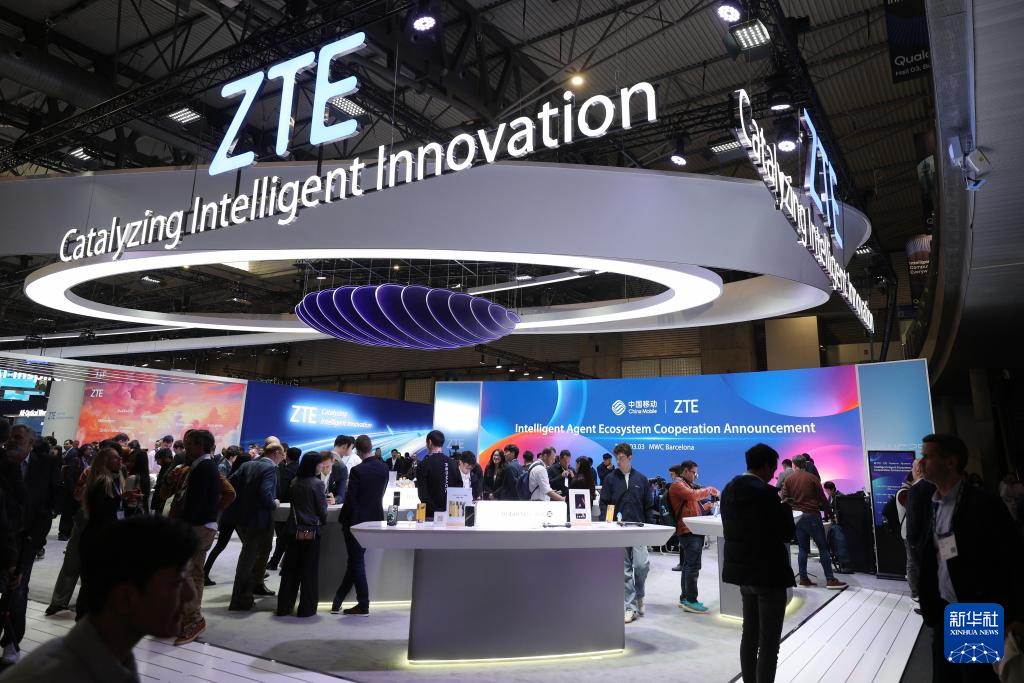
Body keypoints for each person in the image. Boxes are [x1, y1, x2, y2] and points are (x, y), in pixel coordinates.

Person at [0, 516, 199, 683]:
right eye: (177, 582)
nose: (191, 594)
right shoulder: (58, 675)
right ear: (125, 598)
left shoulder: (115, 661)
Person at [916, 433, 1023, 682]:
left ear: (950, 462)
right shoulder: (934, 504)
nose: (921, 462)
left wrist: (1018, 614)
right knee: (944, 677)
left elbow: (1013, 559)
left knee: (974, 678)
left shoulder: (983, 504)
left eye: (927, 456)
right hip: (943, 609)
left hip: (973, 611)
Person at [721, 443, 797, 683]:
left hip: (744, 574)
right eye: (772, 469)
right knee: (769, 643)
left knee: (750, 636)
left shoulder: (729, 489)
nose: (773, 475)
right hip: (768, 574)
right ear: (765, 466)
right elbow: (785, 533)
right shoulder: (765, 493)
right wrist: (785, 507)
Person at [0, 426, 61, 664]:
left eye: (18, 438)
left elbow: (52, 500)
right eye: (10, 437)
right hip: (3, 535)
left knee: (17, 591)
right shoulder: (4, 463)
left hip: (25, 539)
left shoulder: (45, 464)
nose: (12, 441)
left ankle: (11, 643)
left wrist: (38, 536)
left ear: (31, 443)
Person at [173, 428, 230, 646]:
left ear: (200, 446)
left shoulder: (204, 467)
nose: (185, 448)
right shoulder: (203, 466)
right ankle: (190, 618)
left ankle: (194, 619)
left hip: (197, 527)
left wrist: (198, 521)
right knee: (194, 573)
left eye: (189, 444)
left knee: (187, 573)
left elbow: (198, 503)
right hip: (202, 526)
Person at [332, 434, 389, 616]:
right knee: (355, 561)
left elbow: (351, 500)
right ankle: (338, 599)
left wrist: (344, 520)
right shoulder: (384, 468)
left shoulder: (357, 471)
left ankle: (363, 604)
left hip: (356, 522)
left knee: (356, 562)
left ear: (357, 449)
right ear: (371, 448)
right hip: (374, 520)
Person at [599, 443, 656, 624]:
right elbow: (604, 503)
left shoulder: (642, 479)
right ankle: (630, 607)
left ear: (630, 457)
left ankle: (640, 595)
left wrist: (650, 528)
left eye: (621, 458)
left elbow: (649, 506)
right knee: (624, 571)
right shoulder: (610, 479)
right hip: (618, 530)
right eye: (617, 458)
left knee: (641, 565)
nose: (618, 461)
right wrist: (607, 523)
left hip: (639, 529)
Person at [227, 442, 282, 611]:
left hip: (243, 518)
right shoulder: (270, 468)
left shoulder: (248, 465)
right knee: (249, 559)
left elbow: (229, 483)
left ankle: (243, 596)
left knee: (248, 557)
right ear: (276, 453)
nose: (283, 458)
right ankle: (240, 599)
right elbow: (265, 494)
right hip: (259, 519)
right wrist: (273, 503)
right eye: (282, 454)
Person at [781, 455, 846, 590]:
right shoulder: (812, 478)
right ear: (805, 464)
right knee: (823, 547)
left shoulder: (788, 479)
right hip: (812, 515)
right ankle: (830, 579)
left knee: (802, 548)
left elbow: (784, 498)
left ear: (794, 465)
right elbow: (823, 499)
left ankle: (803, 579)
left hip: (797, 517)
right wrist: (831, 515)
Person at [276, 453, 328, 618]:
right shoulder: (317, 484)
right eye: (320, 464)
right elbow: (322, 511)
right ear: (314, 465)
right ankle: (306, 609)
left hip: (293, 530)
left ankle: (284, 607)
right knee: (309, 571)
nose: (321, 467)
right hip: (310, 531)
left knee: (290, 570)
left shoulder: (294, 481)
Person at [668, 460, 719, 614]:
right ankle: (691, 600)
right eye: (694, 472)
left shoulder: (686, 485)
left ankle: (685, 598)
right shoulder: (678, 485)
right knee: (693, 566)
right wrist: (709, 489)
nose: (696, 476)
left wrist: (706, 507)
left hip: (692, 529)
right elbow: (692, 496)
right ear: (685, 471)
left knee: (688, 565)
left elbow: (692, 506)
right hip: (688, 530)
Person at [267, 447, 302, 572]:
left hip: (282, 507)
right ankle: (279, 562)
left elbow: (281, 489)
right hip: (294, 508)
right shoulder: (298, 469)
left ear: (287, 455)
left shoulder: (285, 470)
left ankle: (274, 562)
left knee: (282, 537)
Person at [415, 430, 461, 517]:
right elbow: (459, 488)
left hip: (430, 515)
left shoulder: (423, 464)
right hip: (451, 513)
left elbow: (423, 494)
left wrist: (435, 511)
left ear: (429, 442)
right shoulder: (453, 463)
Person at [57, 442, 88, 540]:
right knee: (67, 512)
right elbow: (69, 476)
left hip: (79, 492)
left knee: (74, 512)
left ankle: (69, 532)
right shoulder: (76, 460)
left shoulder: (85, 461)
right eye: (89, 449)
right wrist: (72, 489)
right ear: (84, 451)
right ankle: (63, 532)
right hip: (72, 491)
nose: (91, 451)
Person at [122, 449, 150, 517]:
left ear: (139, 463)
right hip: (144, 509)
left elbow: (125, 498)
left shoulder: (132, 478)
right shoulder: (147, 477)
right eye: (129, 460)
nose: (129, 463)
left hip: (132, 510)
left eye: (133, 461)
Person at [149, 447, 174, 515]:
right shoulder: (168, 467)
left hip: (163, 499)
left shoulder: (170, 468)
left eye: (158, 459)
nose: (157, 462)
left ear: (165, 457)